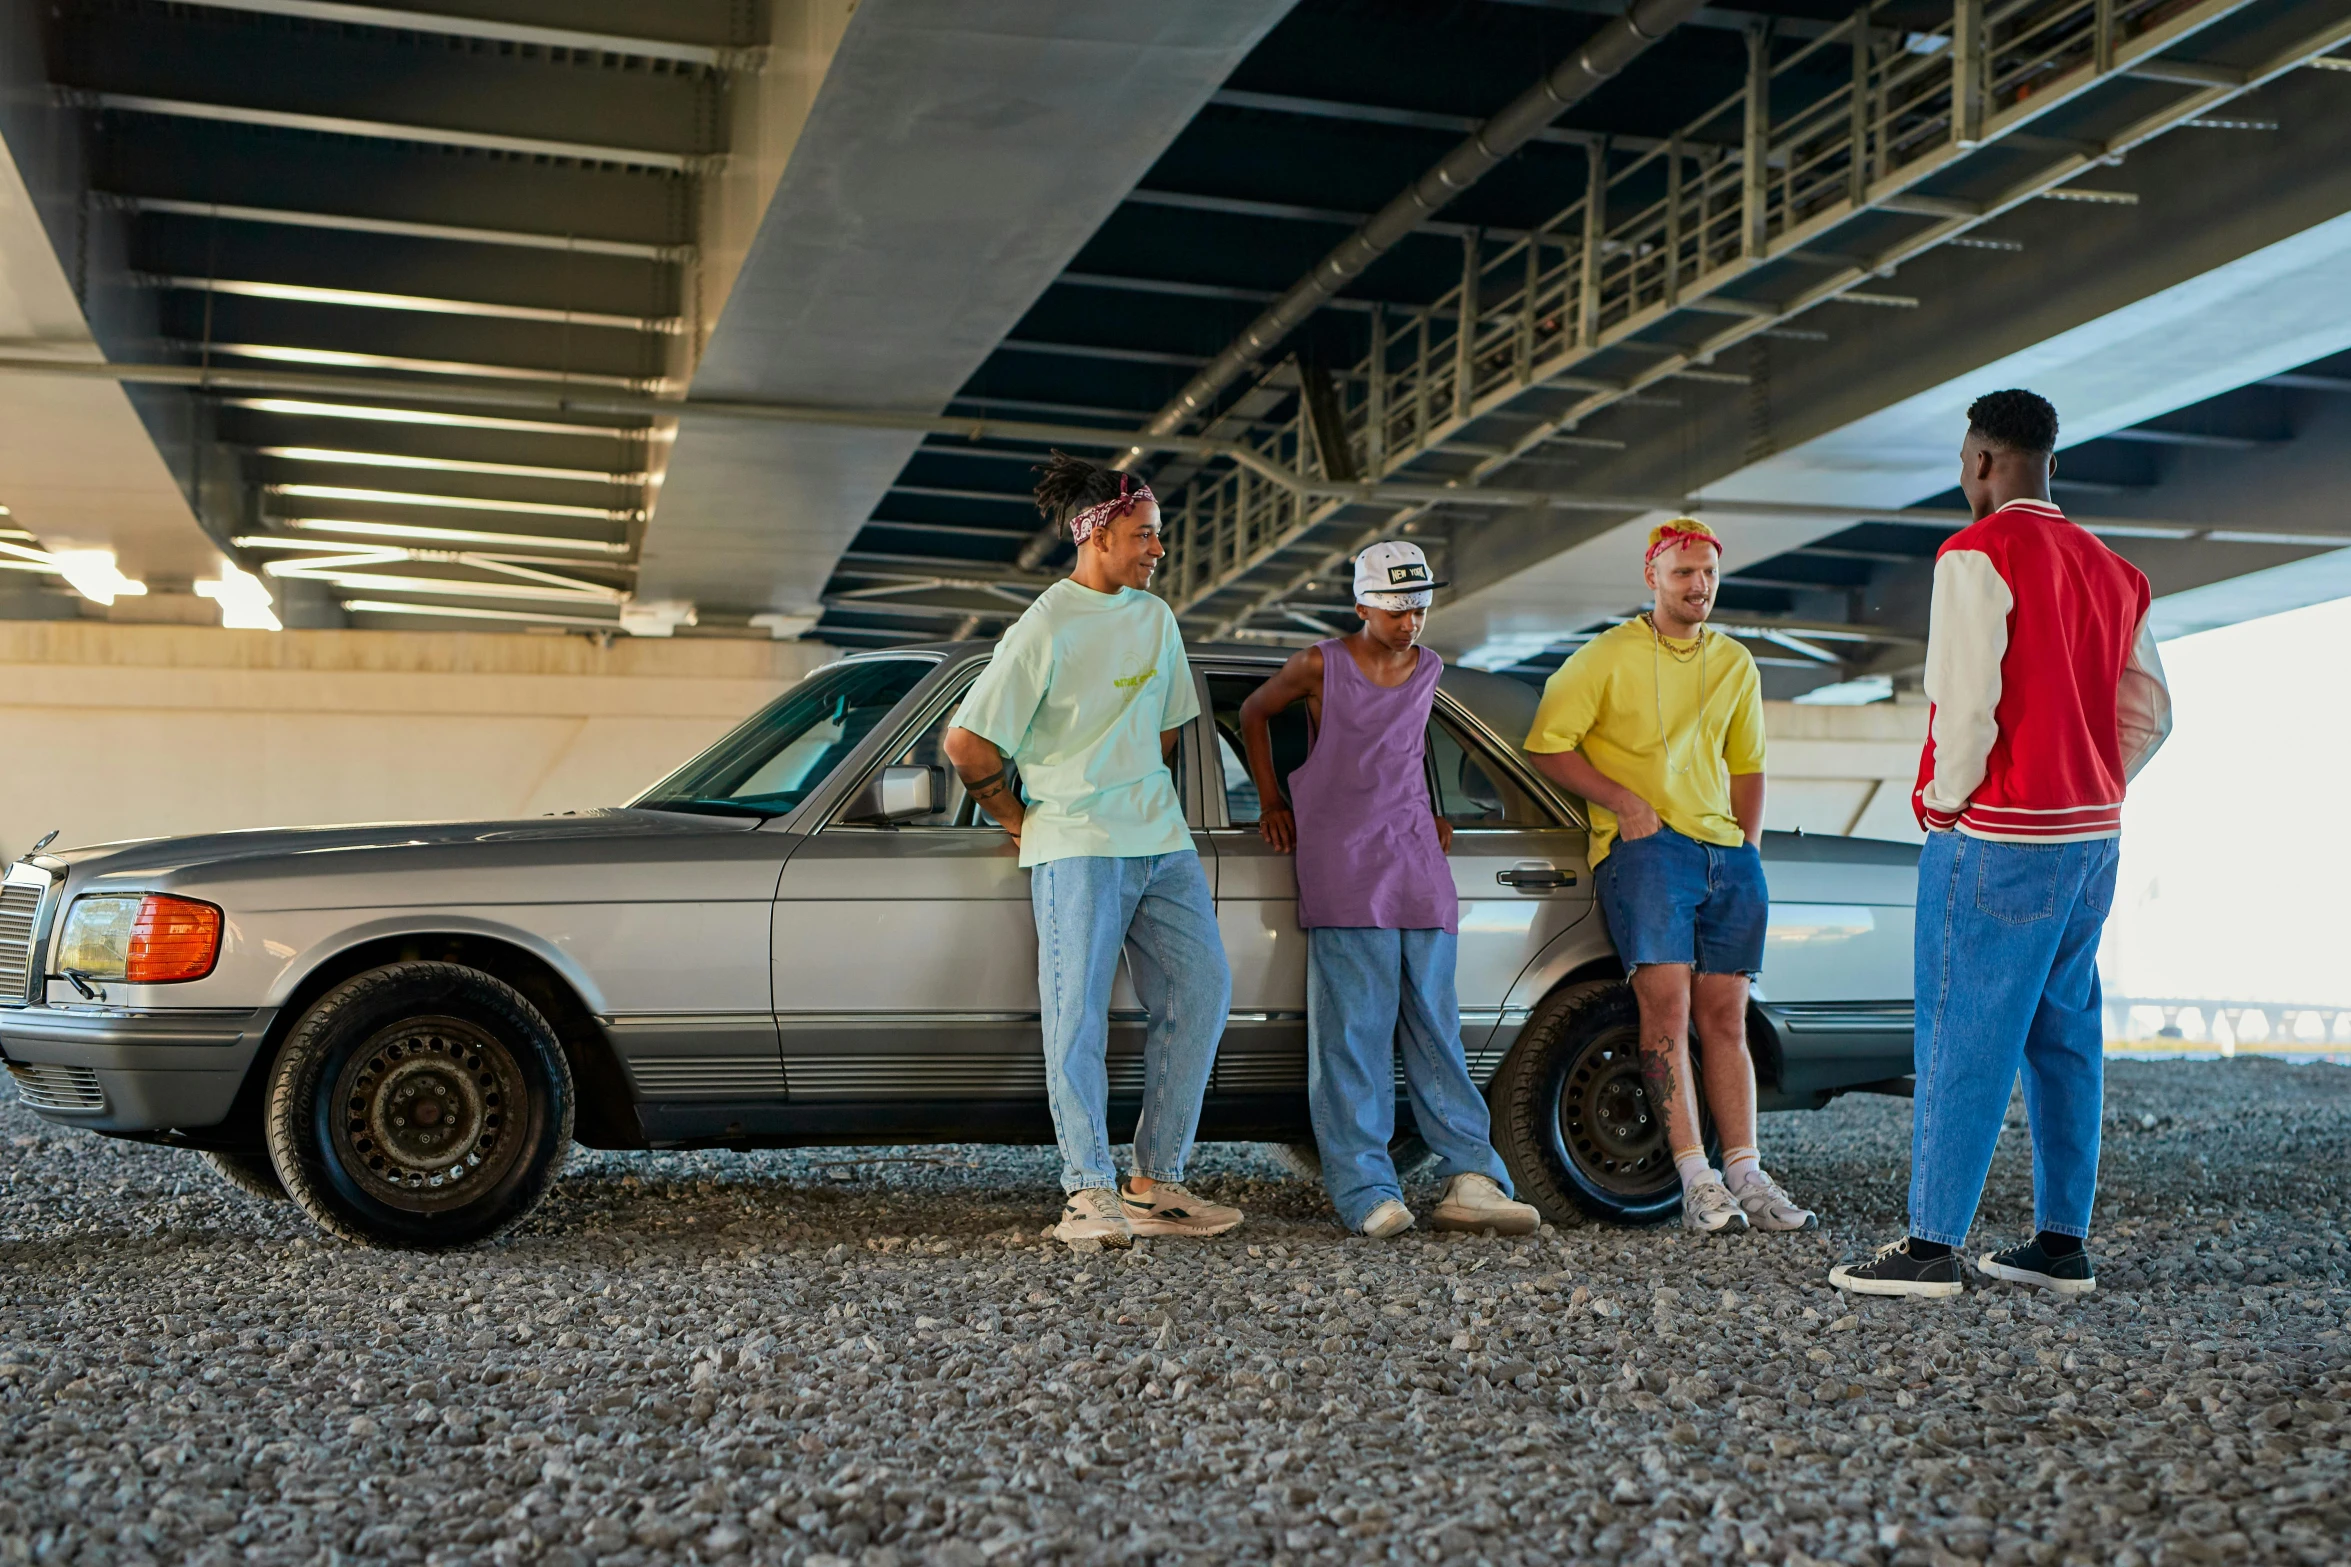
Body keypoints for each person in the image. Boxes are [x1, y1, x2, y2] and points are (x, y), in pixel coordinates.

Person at [1831, 390, 2171, 1299]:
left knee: (1960, 1031)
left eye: (1962, 460)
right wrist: (2092, 779)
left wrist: (1945, 806)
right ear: (2047, 460)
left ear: (1981, 460)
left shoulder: (1973, 554)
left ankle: (1930, 1246)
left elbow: (1965, 704)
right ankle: (2060, 1246)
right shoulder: (2114, 570)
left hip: (1998, 834)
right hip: (2091, 839)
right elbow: (2150, 710)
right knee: (2065, 1037)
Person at [943, 451, 1242, 1250]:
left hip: (1160, 840)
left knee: (1203, 989)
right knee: (1075, 1018)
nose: (1157, 550)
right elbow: (967, 745)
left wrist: (1134, 784)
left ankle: (1155, 1181)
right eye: (1144, 535)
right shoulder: (1043, 626)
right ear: (1097, 534)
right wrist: (1016, 817)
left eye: (1158, 536)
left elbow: (1171, 728)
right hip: (1074, 842)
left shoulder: (1156, 619)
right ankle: (1086, 1191)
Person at [1238, 540, 1541, 1239]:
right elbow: (1254, 711)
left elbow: (1407, 747)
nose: (1410, 622)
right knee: (1353, 1032)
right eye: (1397, 607)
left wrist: (1432, 806)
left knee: (1436, 1025)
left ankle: (1472, 1174)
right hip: (1341, 859)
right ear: (1361, 604)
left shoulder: (1427, 667)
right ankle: (1364, 1186)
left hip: (1413, 857)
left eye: (1419, 608)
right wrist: (1271, 800)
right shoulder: (1319, 664)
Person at [1521, 518, 1815, 1236]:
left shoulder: (1735, 663)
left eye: (1709, 572)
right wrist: (1621, 803)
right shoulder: (1604, 657)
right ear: (1651, 575)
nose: (1699, 585)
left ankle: (1744, 1172)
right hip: (1648, 853)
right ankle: (1694, 1177)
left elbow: (1747, 767)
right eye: (1683, 571)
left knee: (1725, 1018)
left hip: (1726, 858)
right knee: (1665, 1015)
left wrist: (1746, 849)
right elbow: (1545, 746)